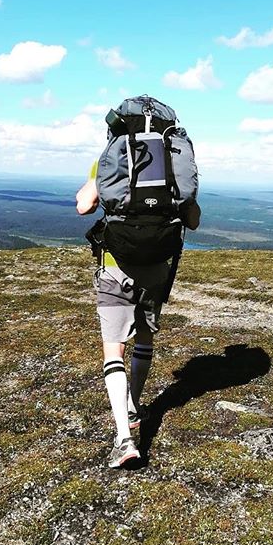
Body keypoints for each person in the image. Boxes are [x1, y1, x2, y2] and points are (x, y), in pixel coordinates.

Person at [76, 151, 201, 468]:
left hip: (116, 267)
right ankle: (133, 407)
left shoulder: (108, 160)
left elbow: (84, 206)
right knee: (144, 338)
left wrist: (93, 183)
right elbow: (194, 220)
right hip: (157, 267)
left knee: (113, 350)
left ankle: (124, 439)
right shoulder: (173, 166)